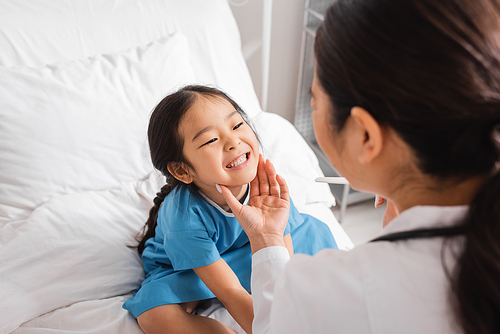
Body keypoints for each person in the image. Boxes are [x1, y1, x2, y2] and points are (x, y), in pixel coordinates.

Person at [219, 0, 500, 333]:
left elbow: (275, 325)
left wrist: (266, 241)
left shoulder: (332, 292)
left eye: (315, 100)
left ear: (365, 135)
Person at [122, 85, 337, 334]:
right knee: (154, 315)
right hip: (194, 268)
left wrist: (287, 300)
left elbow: (282, 265)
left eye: (236, 126)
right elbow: (230, 291)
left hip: (251, 250)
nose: (233, 142)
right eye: (211, 140)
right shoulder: (184, 218)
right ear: (182, 170)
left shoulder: (264, 184)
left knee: (316, 237)